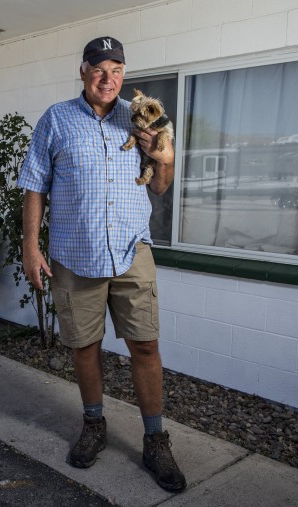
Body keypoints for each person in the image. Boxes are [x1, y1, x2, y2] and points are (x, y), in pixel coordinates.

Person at [17, 36, 186, 492]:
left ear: (124, 76)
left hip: (133, 250)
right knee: (85, 345)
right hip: (74, 254)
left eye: (116, 69)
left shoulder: (142, 121)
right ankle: (94, 424)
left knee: (146, 347)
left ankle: (155, 438)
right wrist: (31, 248)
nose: (107, 78)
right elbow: (34, 185)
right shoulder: (56, 120)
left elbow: (162, 186)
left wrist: (160, 156)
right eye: (99, 68)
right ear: (83, 71)